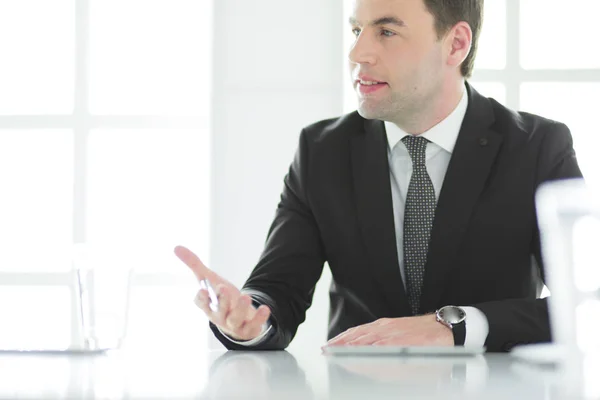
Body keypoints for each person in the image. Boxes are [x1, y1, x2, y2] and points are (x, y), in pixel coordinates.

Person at [174, 0, 583, 352]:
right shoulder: (321, 150)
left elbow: (583, 305)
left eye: (386, 31)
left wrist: (454, 327)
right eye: (356, 29)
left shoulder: (537, 148)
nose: (357, 53)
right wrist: (249, 319)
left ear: (456, 44)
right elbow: (277, 291)